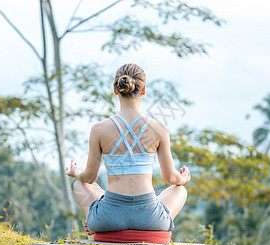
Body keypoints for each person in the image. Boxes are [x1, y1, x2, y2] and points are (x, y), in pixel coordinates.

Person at [65, 63, 191, 234]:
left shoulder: (99, 129)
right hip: (150, 219)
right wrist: (182, 178)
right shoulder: (159, 128)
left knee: (79, 184)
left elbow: (89, 177)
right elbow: (170, 178)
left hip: (108, 218)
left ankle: (93, 220)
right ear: (144, 90)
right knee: (180, 190)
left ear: (115, 89)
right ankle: (145, 225)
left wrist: (76, 172)